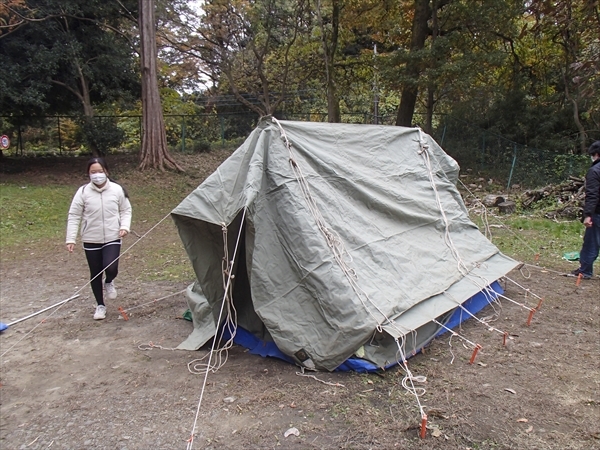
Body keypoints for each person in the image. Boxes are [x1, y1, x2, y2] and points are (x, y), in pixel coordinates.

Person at [66, 157, 132, 319]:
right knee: (95, 272)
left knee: (111, 267)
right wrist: (70, 239)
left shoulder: (117, 190)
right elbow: (74, 215)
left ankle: (109, 281)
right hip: (91, 238)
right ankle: (100, 305)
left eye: (100, 171)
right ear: (88, 174)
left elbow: (126, 210)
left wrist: (124, 226)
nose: (97, 175)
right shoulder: (83, 192)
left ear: (106, 171)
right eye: (93, 172)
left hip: (112, 236)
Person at [569, 141, 600, 279]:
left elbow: (592, 194)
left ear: (596, 154)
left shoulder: (595, 171)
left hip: (598, 213)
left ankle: (585, 270)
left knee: (591, 241)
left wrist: (588, 215)